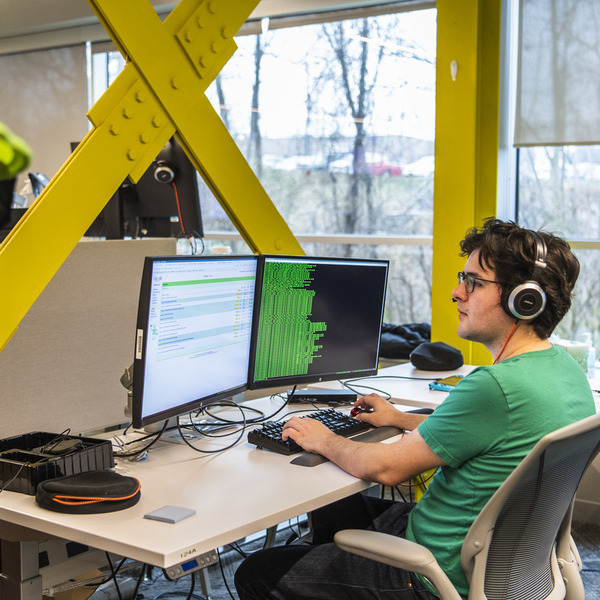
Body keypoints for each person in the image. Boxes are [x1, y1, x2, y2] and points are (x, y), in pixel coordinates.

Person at [234, 218, 596, 600]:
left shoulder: (494, 387)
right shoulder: (565, 370)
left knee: (257, 572)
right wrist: (397, 419)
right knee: (334, 507)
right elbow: (486, 431)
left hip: (434, 573)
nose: (457, 292)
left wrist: (323, 439)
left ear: (523, 299)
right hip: (498, 559)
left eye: (473, 282)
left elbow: (387, 469)